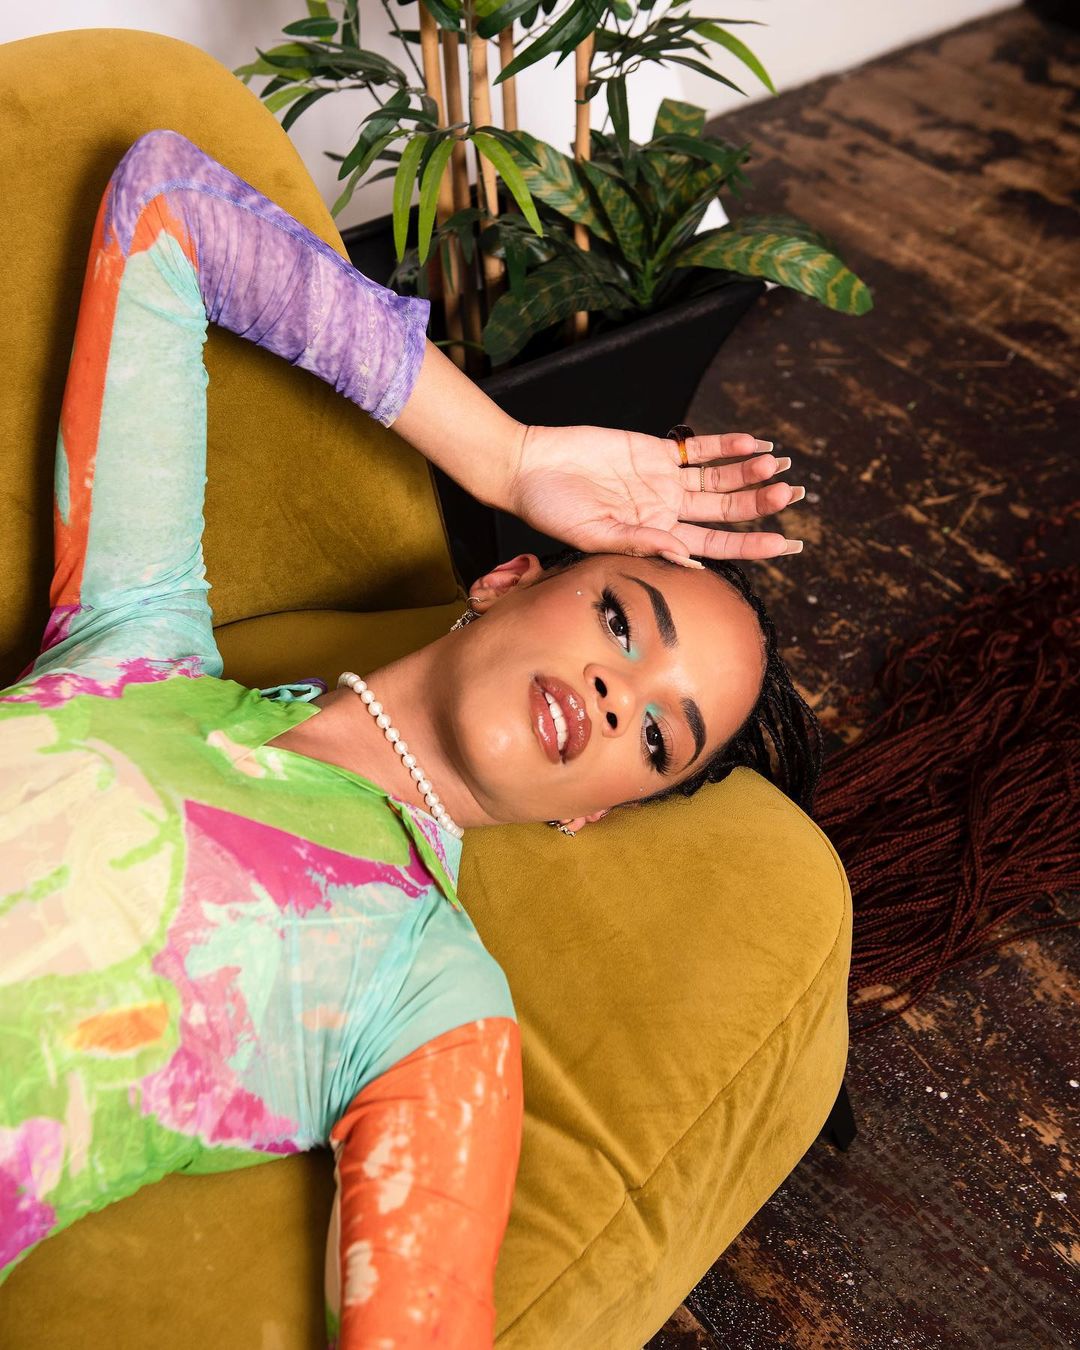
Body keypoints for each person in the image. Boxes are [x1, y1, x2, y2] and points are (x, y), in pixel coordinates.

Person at [0, 130, 818, 1346]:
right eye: (619, 621)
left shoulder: (424, 994)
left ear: (586, 810)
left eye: (657, 737)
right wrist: (510, 455)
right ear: (507, 580)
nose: (616, 695)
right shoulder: (136, 641)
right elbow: (166, 200)